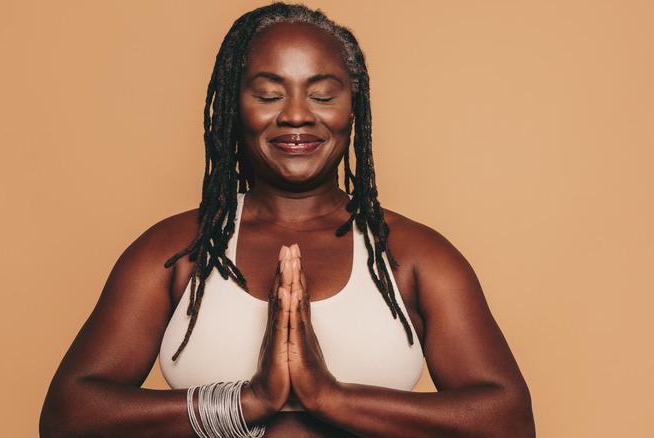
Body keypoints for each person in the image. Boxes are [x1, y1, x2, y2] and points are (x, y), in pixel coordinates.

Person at [40, 3, 535, 437]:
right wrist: (249, 401)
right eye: (269, 94)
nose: (297, 116)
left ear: (353, 109)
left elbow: (508, 421)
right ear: (234, 108)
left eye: (322, 95)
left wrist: (328, 397)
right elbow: (68, 416)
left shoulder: (412, 256)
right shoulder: (179, 250)